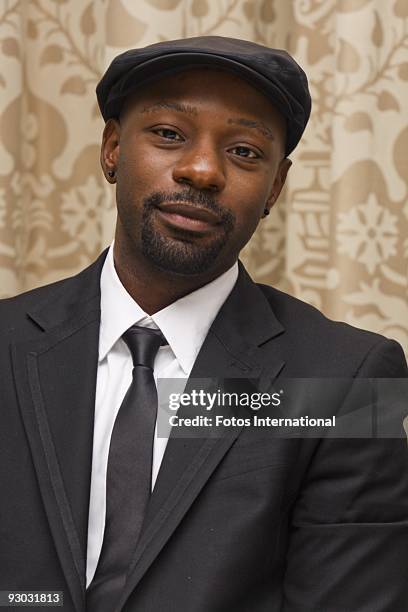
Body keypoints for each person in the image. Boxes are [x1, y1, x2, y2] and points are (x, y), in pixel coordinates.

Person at [0, 36, 407, 612]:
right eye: (168, 134)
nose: (201, 170)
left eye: (244, 151)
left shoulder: (352, 384)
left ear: (277, 187)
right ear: (112, 147)